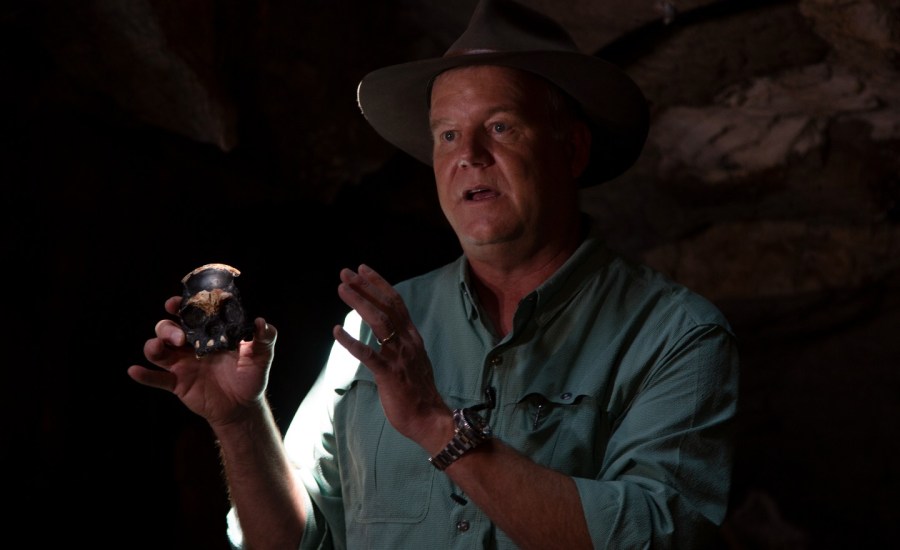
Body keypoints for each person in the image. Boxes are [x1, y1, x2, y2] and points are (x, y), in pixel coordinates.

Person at [128, 0, 740, 548]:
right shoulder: (371, 329)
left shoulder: (676, 335)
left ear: (571, 150)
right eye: (448, 134)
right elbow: (290, 540)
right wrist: (239, 422)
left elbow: (656, 535)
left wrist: (434, 424)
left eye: (500, 127)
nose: (468, 154)